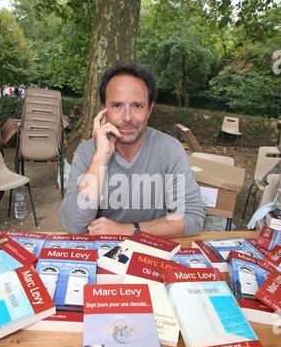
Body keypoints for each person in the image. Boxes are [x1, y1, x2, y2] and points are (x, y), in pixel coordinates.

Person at [61, 62, 205, 238]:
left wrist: (128, 230)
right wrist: (100, 157)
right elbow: (74, 226)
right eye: (117, 106)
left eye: (137, 106)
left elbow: (193, 218)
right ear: (103, 109)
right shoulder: (88, 152)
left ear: (150, 109)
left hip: (152, 252)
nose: (127, 117)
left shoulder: (170, 150)